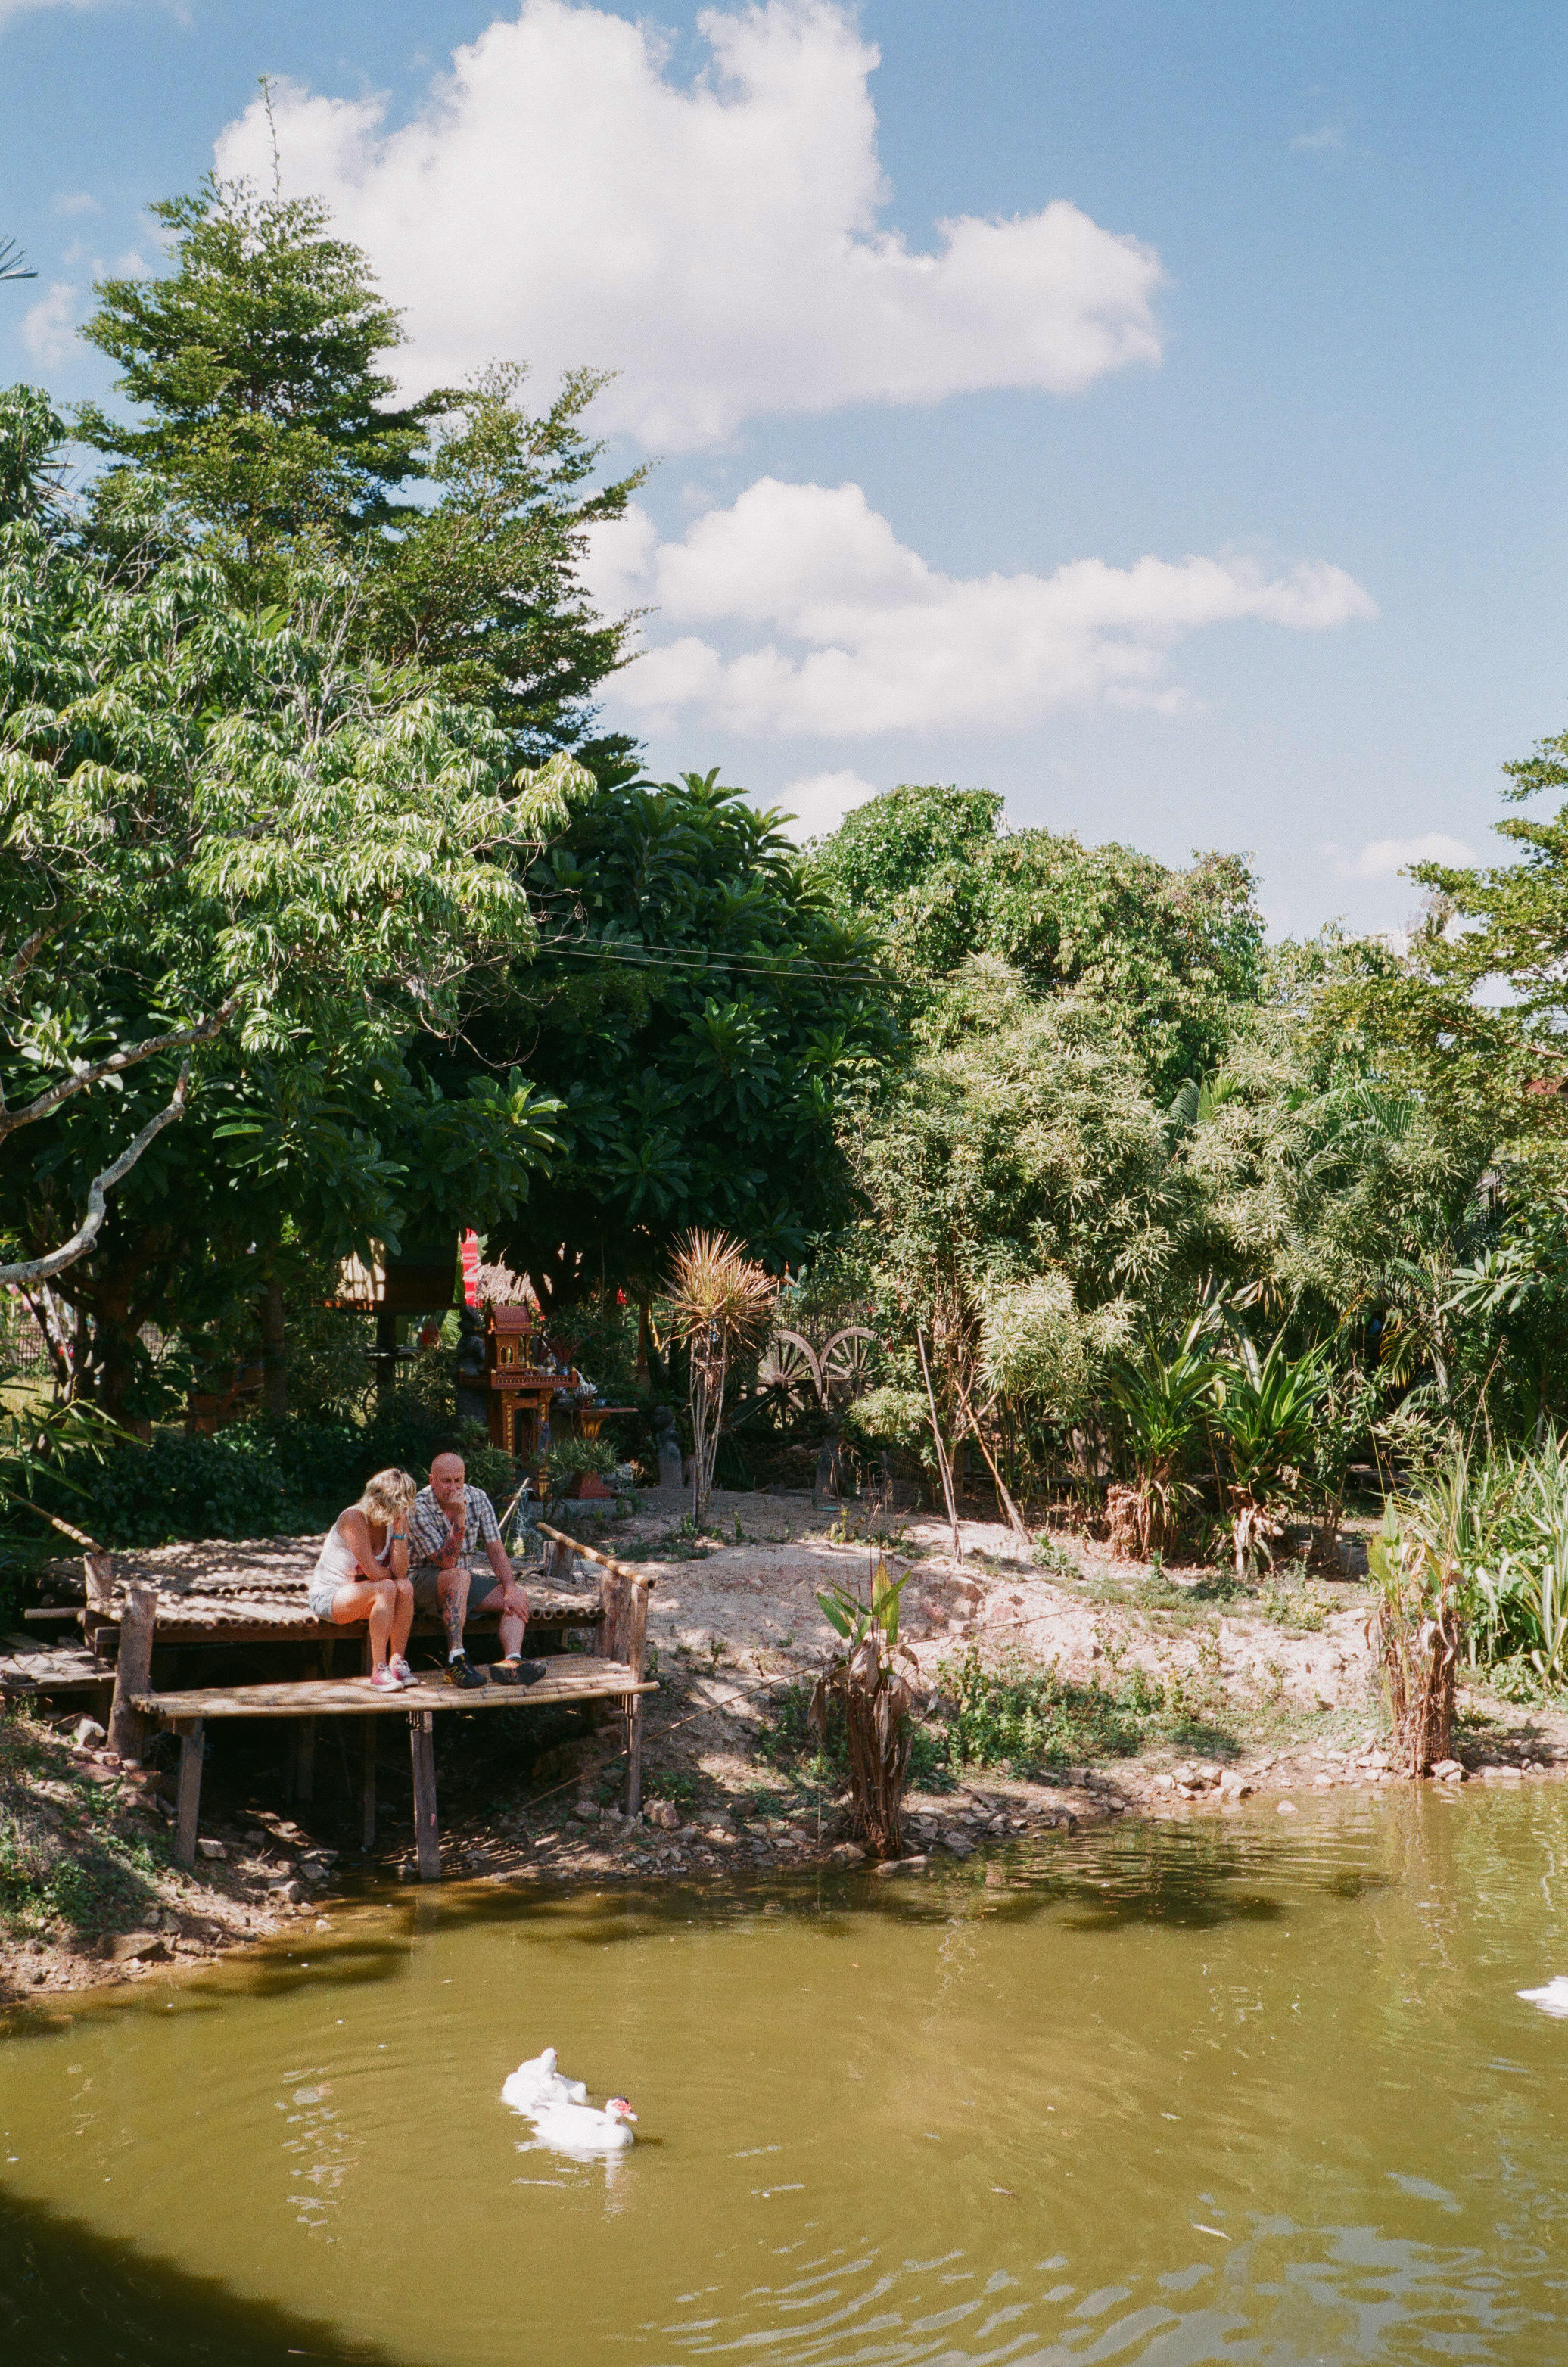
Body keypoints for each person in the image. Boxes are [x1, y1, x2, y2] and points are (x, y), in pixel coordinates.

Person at [409, 1451, 537, 1687]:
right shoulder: (418, 1507)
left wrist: (509, 1586)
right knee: (458, 1575)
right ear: (432, 1480)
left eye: (458, 1480)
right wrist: (460, 1515)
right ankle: (456, 1659)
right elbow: (447, 1562)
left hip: (463, 1581)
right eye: (446, 1481)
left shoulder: (477, 1497)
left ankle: (512, 1663)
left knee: (517, 1595)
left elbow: (495, 1548)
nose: (453, 1487)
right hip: (422, 1583)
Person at [307, 1467, 418, 1690]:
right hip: (329, 1597)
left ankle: (397, 1663)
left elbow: (401, 1574)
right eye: (402, 1502)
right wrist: (390, 1575)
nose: (405, 1509)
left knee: (405, 1587)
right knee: (386, 1587)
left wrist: (399, 1532)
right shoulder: (353, 1518)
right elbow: (375, 1573)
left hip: (366, 1596)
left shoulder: (393, 1522)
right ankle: (378, 1671)